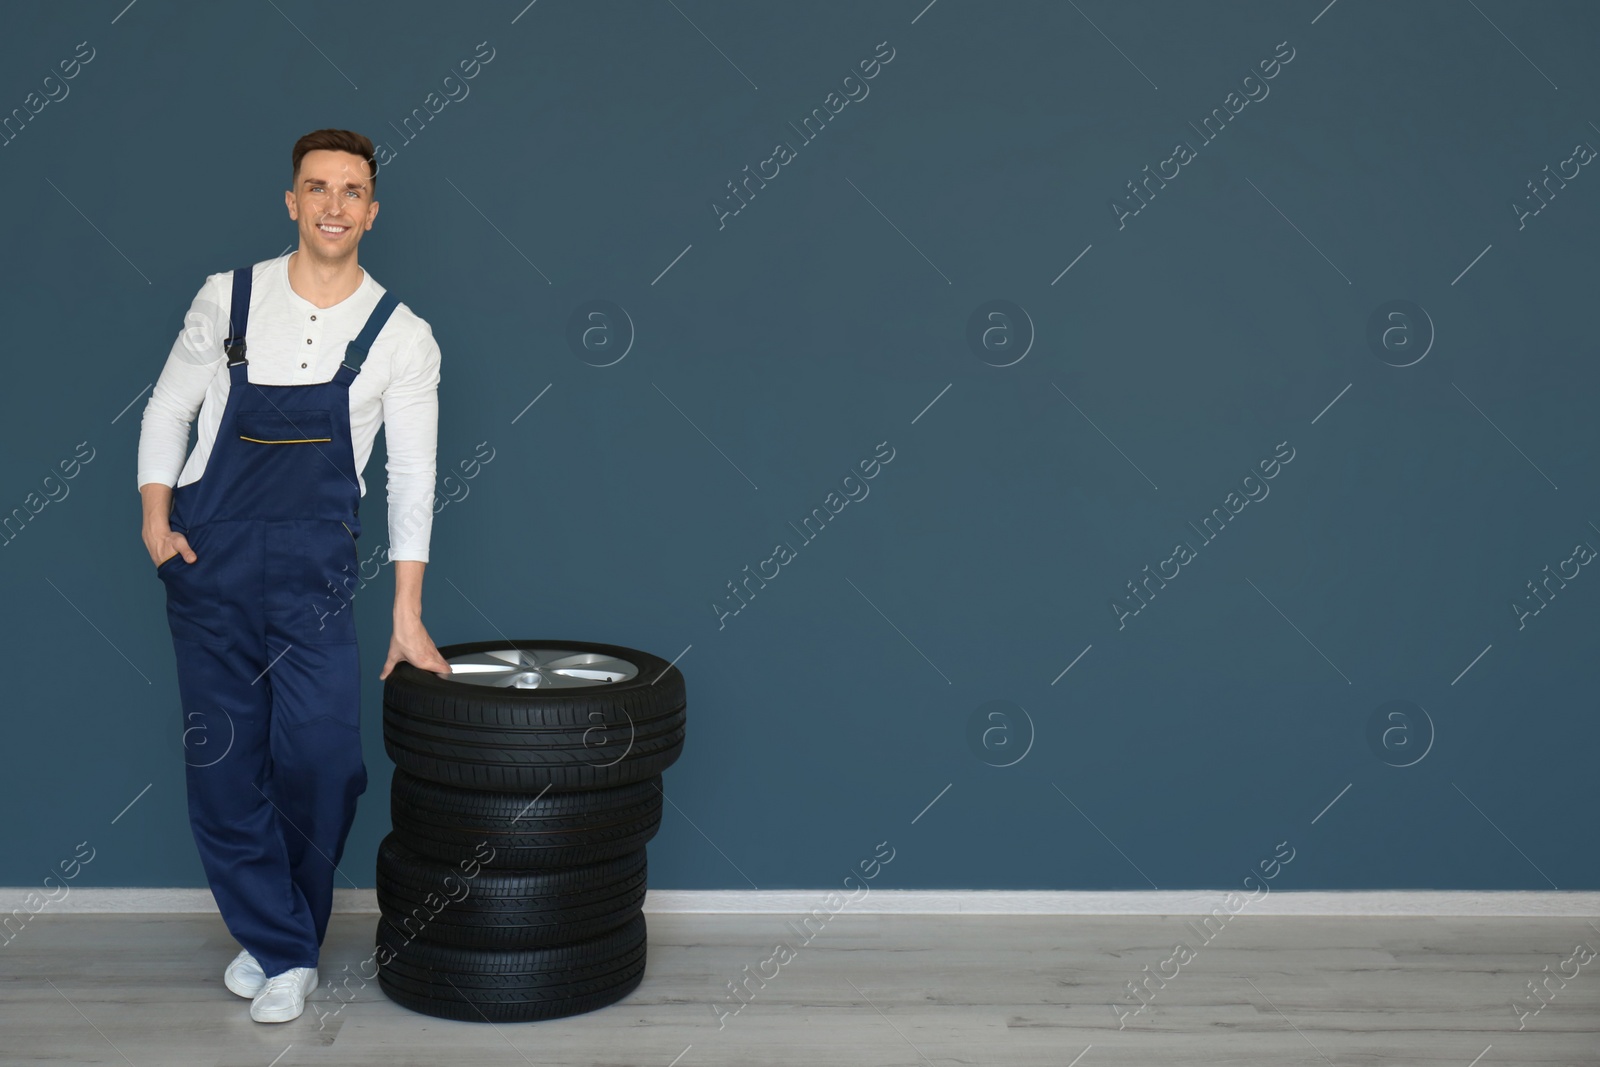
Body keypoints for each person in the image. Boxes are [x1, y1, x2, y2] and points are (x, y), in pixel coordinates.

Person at [136, 128, 452, 1023]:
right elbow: (170, 404)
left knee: (323, 760)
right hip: (212, 560)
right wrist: (156, 521)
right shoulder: (227, 297)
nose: (333, 205)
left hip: (314, 572)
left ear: (372, 210)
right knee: (225, 763)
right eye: (317, 187)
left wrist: (407, 612)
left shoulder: (401, 335)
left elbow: (412, 478)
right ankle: (283, 948)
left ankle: (279, 936)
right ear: (291, 200)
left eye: (351, 191)